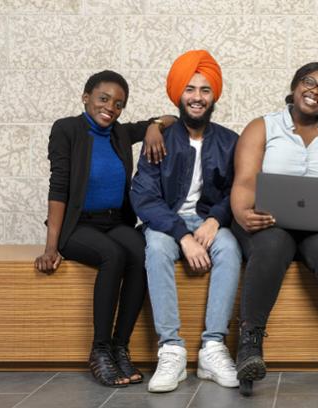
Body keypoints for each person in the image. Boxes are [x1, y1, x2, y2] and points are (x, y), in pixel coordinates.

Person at [230, 62, 318, 396]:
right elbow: (246, 179)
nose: (315, 91)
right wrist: (242, 213)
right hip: (271, 220)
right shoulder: (262, 126)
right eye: (309, 82)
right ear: (294, 86)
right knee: (270, 247)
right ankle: (249, 345)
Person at [34, 70, 172, 387]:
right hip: (78, 225)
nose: (110, 107)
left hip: (114, 221)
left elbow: (172, 118)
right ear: (86, 97)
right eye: (103, 98)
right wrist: (51, 247)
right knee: (113, 256)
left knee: (142, 252)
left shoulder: (120, 133)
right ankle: (99, 350)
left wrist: (154, 126)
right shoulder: (66, 129)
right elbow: (58, 188)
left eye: (119, 103)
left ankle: (119, 347)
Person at [130, 50, 242, 393]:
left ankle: (212, 348)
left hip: (210, 221)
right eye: (190, 89)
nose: (197, 97)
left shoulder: (229, 141)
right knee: (157, 248)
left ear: (214, 96)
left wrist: (215, 221)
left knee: (230, 247)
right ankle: (171, 350)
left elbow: (239, 189)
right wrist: (182, 234)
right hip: (166, 222)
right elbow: (144, 196)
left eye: (205, 90)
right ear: (179, 94)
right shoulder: (159, 138)